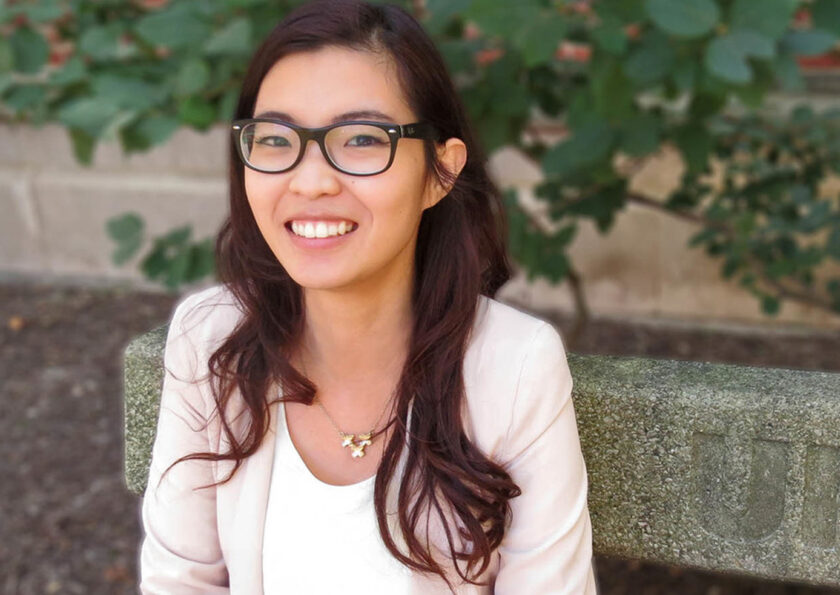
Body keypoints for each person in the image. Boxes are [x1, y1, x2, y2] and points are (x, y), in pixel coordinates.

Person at [137, 1, 597, 593]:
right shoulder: (210, 338)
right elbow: (181, 581)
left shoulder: (514, 363)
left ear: (440, 171)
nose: (311, 181)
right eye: (277, 140)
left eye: (360, 139)